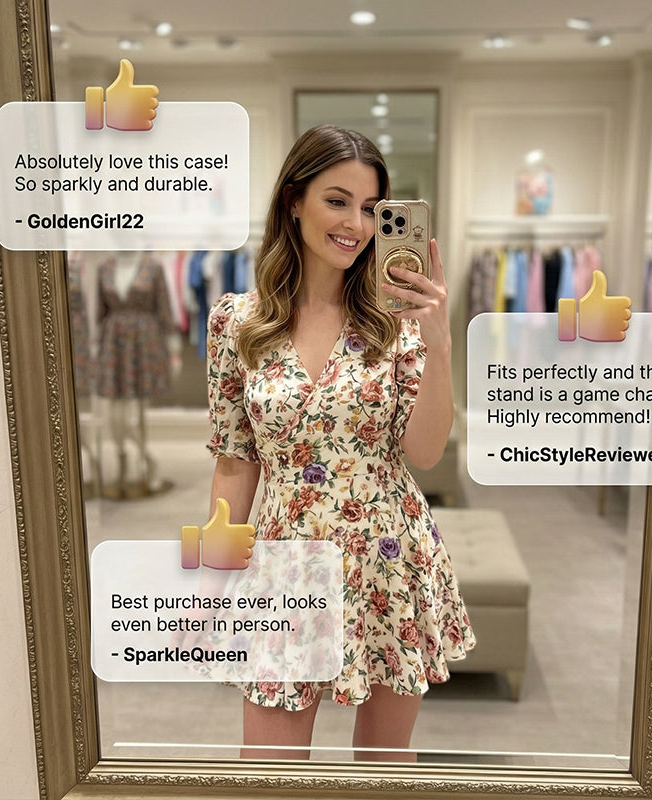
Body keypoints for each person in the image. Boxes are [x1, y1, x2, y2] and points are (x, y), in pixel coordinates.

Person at [206, 124, 475, 761]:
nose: (356, 223)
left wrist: (438, 343)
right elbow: (235, 459)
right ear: (294, 200)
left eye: (372, 207)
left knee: (383, 772)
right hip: (284, 562)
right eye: (337, 200)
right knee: (269, 774)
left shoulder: (397, 323)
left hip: (388, 556)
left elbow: (426, 452)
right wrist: (211, 576)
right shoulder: (237, 322)